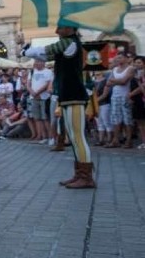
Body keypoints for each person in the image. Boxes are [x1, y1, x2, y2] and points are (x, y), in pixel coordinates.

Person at [22, 25, 96, 188]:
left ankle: (86, 177)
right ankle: (79, 174)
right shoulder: (69, 43)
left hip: (74, 95)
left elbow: (43, 52)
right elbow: (46, 55)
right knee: (74, 137)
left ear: (70, 29)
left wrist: (26, 51)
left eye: (60, 28)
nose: (56, 31)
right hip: (69, 95)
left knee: (78, 137)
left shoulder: (69, 42)